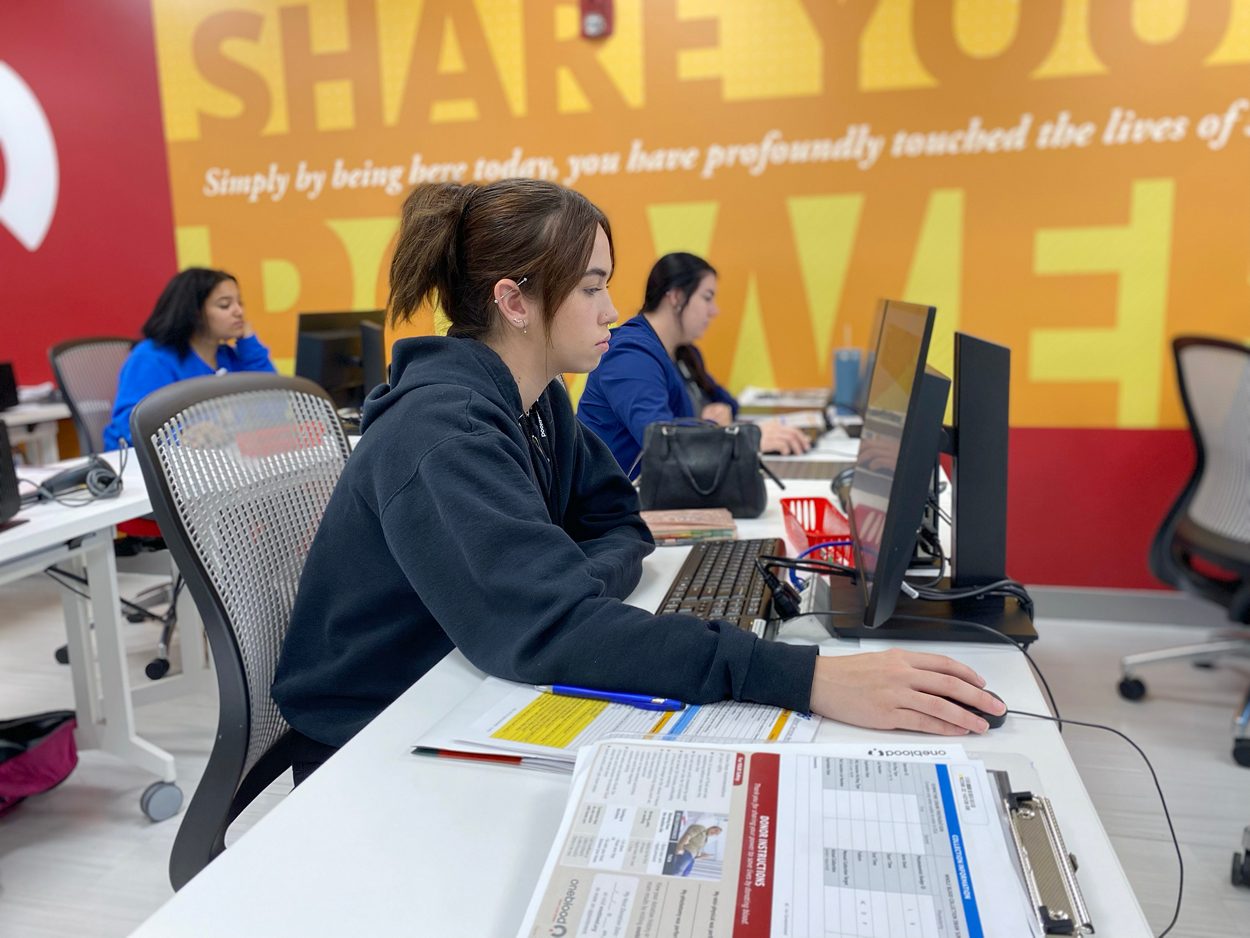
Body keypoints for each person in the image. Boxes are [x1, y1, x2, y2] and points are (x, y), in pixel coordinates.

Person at [270, 179, 1004, 785]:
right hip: (374, 741)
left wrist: (573, 585)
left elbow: (620, 522)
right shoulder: (441, 431)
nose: (614, 311)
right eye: (591, 288)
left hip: (461, 681)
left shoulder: (539, 401)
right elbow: (547, 627)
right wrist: (806, 679)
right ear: (514, 301)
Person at [577, 252, 811, 475]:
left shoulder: (684, 353)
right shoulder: (629, 355)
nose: (715, 310)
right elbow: (660, 440)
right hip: (623, 502)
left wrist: (722, 415)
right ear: (676, 297)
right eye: (707, 297)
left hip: (670, 488)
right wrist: (741, 436)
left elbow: (727, 403)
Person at [103, 268, 275, 449]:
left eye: (240, 303)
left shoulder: (231, 356)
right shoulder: (151, 357)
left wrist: (249, 344)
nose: (239, 311)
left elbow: (274, 406)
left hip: (221, 460)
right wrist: (183, 436)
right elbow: (132, 424)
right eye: (225, 305)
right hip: (146, 465)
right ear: (194, 312)